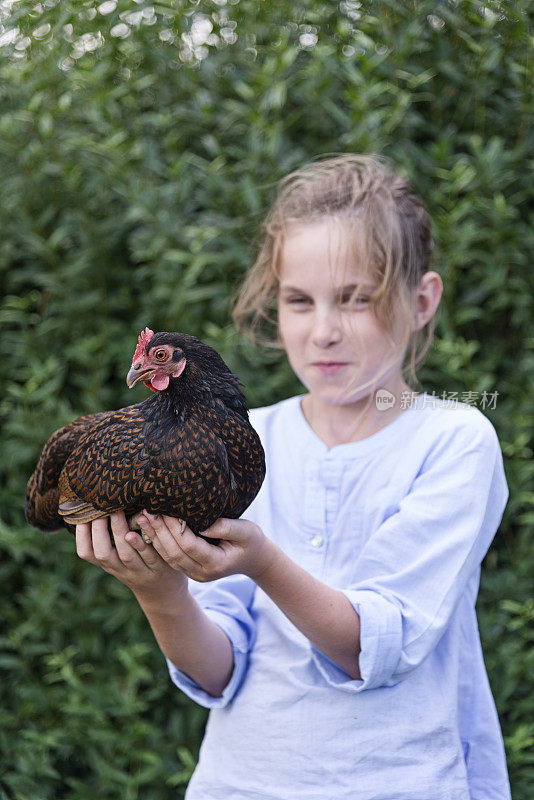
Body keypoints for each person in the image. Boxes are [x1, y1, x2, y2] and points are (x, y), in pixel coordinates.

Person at [76, 154, 510, 799]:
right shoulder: (247, 439)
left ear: (422, 301)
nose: (324, 331)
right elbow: (220, 671)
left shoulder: (453, 440)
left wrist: (263, 563)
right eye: (299, 302)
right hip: (240, 783)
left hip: (403, 781)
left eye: (356, 300)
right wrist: (160, 590)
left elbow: (371, 647)